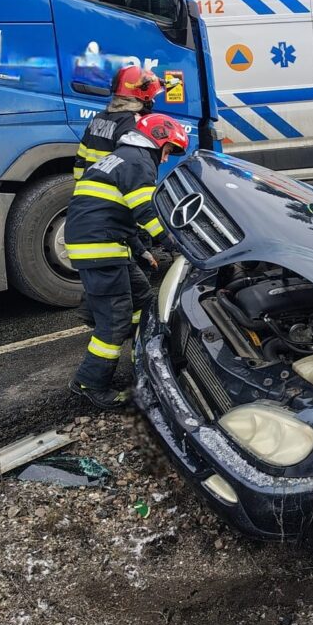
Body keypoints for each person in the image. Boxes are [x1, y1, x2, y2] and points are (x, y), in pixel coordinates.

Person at [65, 113, 189, 408]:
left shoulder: (123, 157)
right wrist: (178, 244)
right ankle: (90, 382)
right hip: (100, 247)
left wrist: (141, 249)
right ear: (157, 139)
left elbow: (118, 211)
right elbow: (146, 211)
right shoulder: (139, 161)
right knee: (114, 320)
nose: (165, 158)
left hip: (102, 241)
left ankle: (143, 352)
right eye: (168, 150)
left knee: (143, 298)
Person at [73, 65, 164, 180]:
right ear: (144, 97)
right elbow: (133, 167)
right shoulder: (133, 123)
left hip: (89, 189)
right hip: (113, 192)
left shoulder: (98, 118)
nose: (153, 100)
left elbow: (81, 157)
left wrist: (80, 185)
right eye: (152, 97)